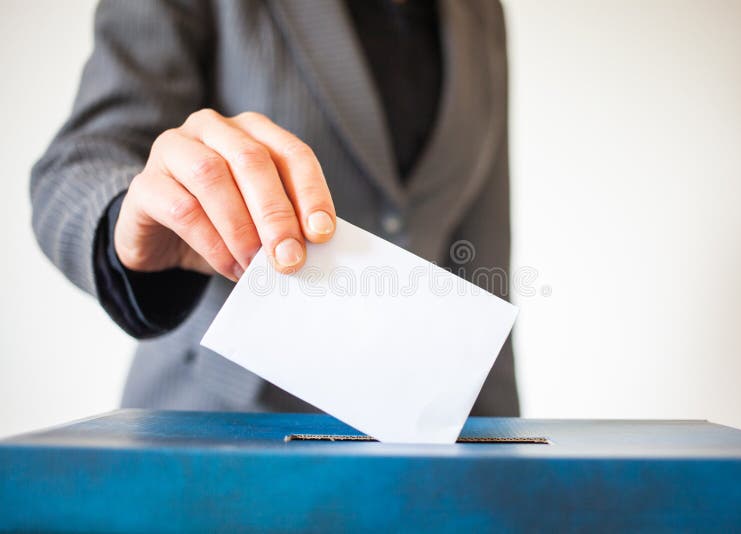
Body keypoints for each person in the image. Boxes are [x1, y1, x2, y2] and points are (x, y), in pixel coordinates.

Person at [30, 0, 518, 415]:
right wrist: (127, 216)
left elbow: (481, 260)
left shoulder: (480, 13)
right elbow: (76, 166)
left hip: (405, 440)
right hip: (211, 434)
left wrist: (498, 459)